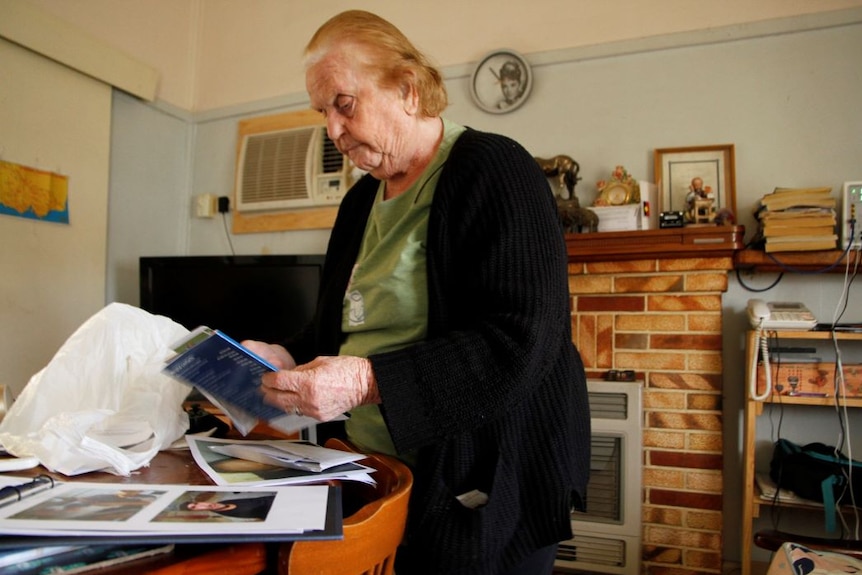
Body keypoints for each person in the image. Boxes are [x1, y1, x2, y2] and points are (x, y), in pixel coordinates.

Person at [242, 10, 590, 575]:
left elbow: (522, 339)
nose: (332, 130)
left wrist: (363, 380)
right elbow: (341, 324)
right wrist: (285, 354)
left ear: (407, 89)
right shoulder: (360, 202)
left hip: (484, 478)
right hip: (375, 475)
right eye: (322, 112)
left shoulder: (495, 168)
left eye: (344, 104)